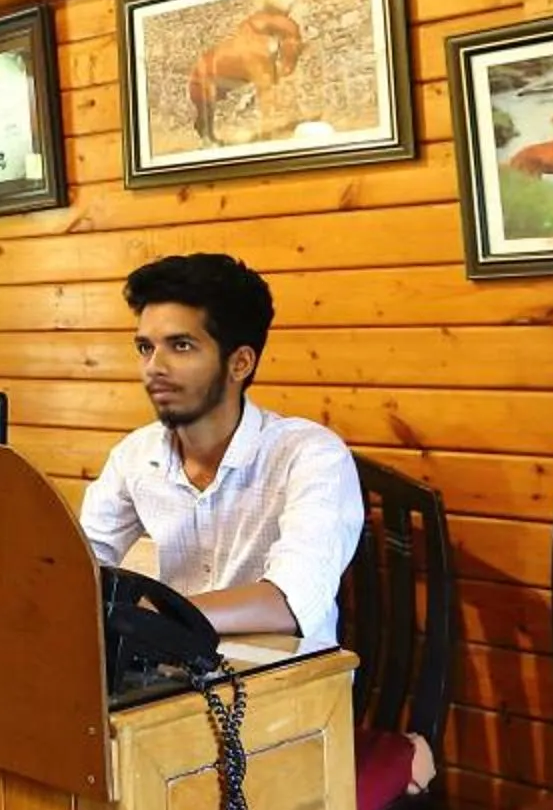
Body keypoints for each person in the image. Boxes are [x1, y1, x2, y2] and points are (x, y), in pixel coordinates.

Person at [79, 252, 363, 653]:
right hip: (172, 675)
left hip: (290, 692)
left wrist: (150, 617)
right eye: (145, 347)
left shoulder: (310, 455)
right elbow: (76, 569)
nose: (153, 367)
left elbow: (290, 602)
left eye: (180, 345)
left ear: (240, 362)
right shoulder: (135, 455)